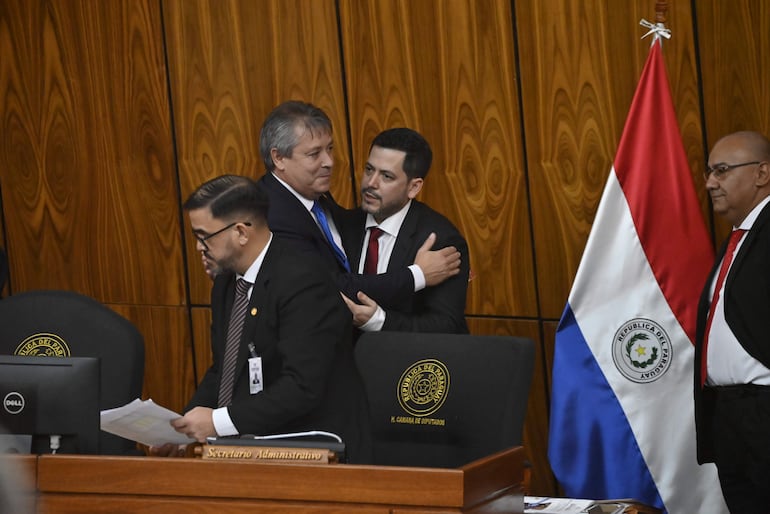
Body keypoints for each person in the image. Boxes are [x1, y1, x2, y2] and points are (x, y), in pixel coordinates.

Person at [156, 175, 371, 462]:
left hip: (314, 449)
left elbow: (301, 387)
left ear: (241, 232)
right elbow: (224, 369)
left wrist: (218, 422)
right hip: (250, 446)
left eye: (203, 236)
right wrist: (184, 430)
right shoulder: (227, 282)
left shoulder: (304, 281)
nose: (198, 247)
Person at [256, 100, 461, 307]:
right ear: (279, 158)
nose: (329, 161)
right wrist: (417, 275)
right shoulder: (271, 215)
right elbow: (329, 287)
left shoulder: (315, 197)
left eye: (330, 148)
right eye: (314, 154)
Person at [695, 130, 770, 511]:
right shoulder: (738, 237)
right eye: (709, 172)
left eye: (722, 170)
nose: (710, 182)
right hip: (728, 414)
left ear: (762, 173)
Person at [339, 128, 469, 333]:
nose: (370, 183)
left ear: (414, 187)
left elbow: (446, 326)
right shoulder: (344, 225)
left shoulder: (439, 238)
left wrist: (379, 321)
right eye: (369, 169)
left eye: (387, 176)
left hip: (407, 361)